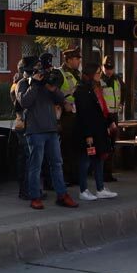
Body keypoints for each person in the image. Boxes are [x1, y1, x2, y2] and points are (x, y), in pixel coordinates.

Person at [18, 60, 79, 210]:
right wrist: (35, 85)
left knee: (57, 164)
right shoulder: (23, 84)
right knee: (35, 166)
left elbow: (60, 99)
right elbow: (24, 102)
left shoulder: (46, 84)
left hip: (51, 129)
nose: (40, 73)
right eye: (36, 70)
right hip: (35, 130)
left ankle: (62, 195)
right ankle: (35, 197)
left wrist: (52, 88)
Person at [73, 62, 118, 201]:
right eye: (98, 73)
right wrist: (88, 135)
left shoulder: (96, 88)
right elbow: (84, 114)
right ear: (91, 74)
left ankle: (100, 188)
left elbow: (102, 108)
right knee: (85, 160)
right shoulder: (81, 90)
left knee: (99, 159)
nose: (100, 75)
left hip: (99, 130)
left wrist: (110, 121)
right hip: (89, 132)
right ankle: (83, 190)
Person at [10, 57, 38, 200]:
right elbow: (22, 103)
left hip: (24, 124)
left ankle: (27, 188)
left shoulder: (20, 82)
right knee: (28, 158)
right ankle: (25, 189)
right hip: (24, 124)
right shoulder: (20, 84)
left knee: (27, 158)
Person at [100, 55, 125, 182]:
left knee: (111, 145)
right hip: (103, 117)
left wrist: (121, 104)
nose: (108, 70)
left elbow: (124, 92)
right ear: (102, 67)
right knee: (104, 145)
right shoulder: (99, 80)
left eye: (110, 68)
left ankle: (108, 173)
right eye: (106, 67)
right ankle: (102, 173)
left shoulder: (117, 80)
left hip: (114, 115)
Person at [58, 48, 81, 186]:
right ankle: (66, 176)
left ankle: (74, 175)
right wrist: (63, 102)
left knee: (75, 147)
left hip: (76, 115)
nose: (78, 61)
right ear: (68, 60)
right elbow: (54, 93)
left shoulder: (76, 73)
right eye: (76, 59)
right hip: (66, 116)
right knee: (66, 148)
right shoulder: (60, 73)